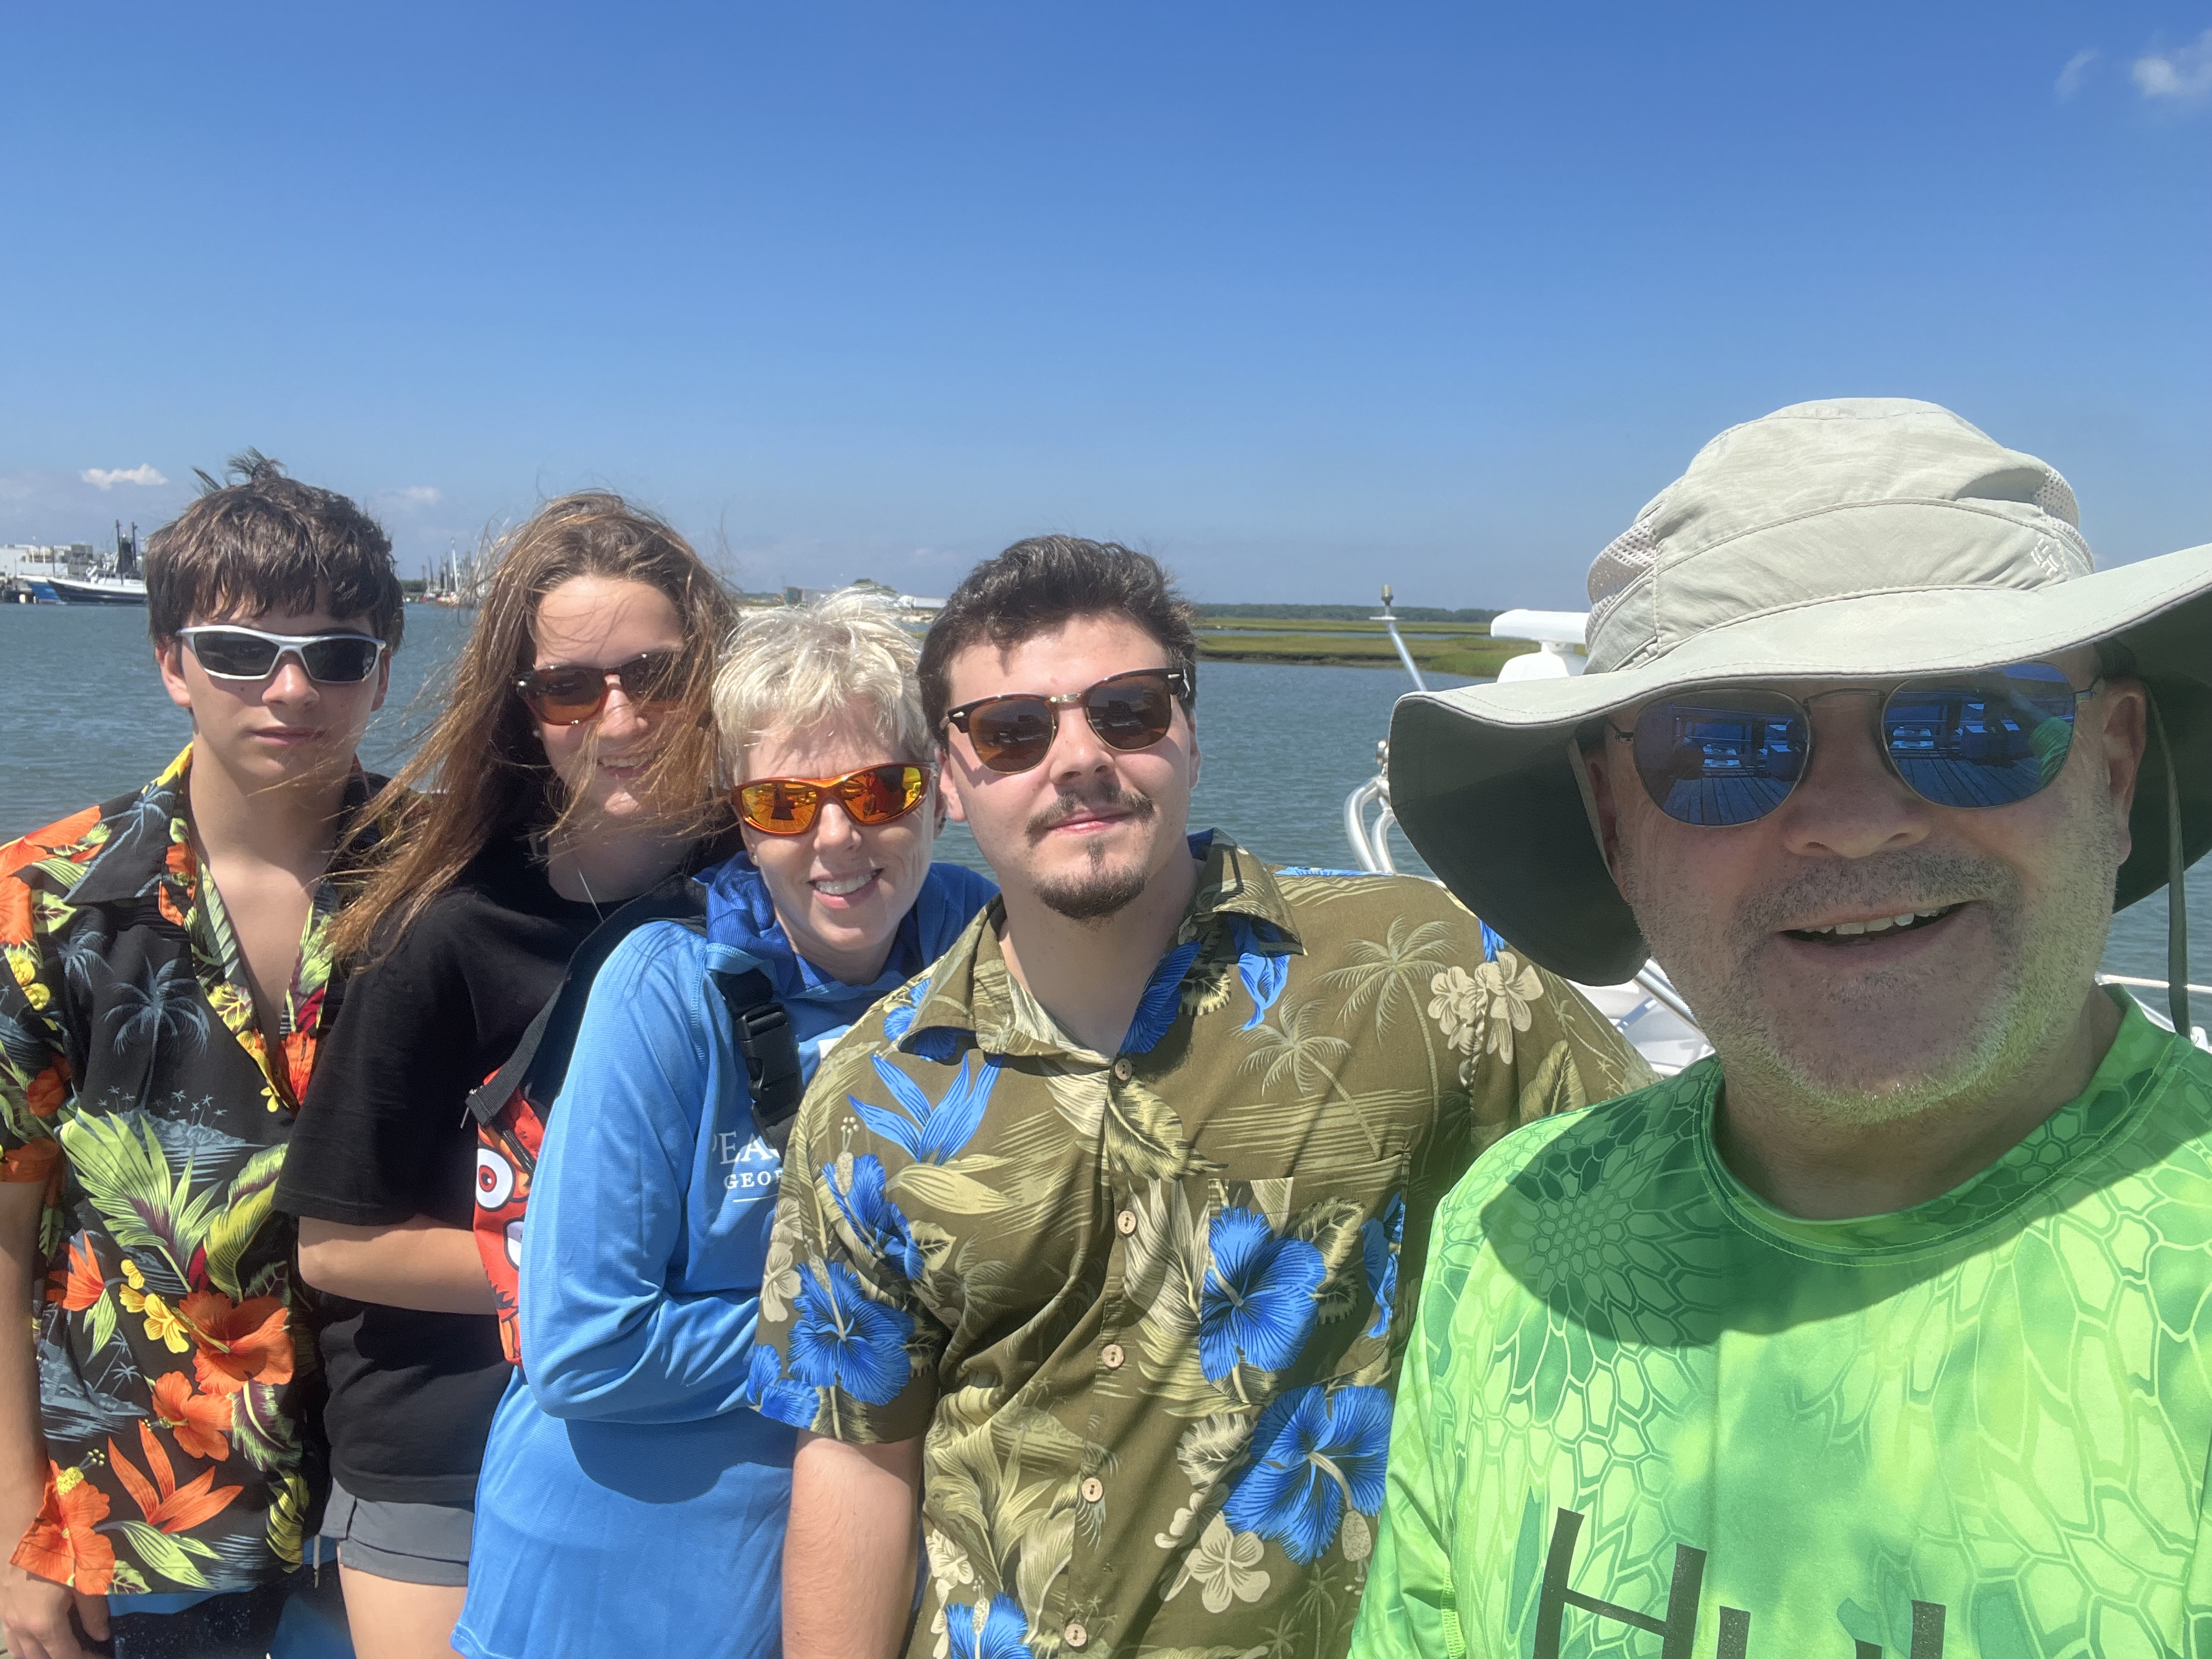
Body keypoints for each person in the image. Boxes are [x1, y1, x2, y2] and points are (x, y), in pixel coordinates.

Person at [1352, 398, 2212, 1657]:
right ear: (1611, 820)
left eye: (1971, 720)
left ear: (2115, 765)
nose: (1856, 823)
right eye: (1730, 745)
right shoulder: (1513, 1235)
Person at [746, 538, 1650, 1659]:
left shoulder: (1428, 976)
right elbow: (856, 1458)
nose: (1077, 757)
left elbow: (1671, 1204)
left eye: (1127, 710)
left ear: (1190, 732)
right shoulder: (874, 1091)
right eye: (1013, 730)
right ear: (953, 774)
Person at [452, 587, 996, 1659]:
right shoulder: (662, 991)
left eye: (877, 790)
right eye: (788, 806)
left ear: (942, 794)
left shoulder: (990, 954)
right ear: (745, 822)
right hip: (607, 1594)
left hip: (850, 1586)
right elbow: (584, 1349)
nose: (837, 837)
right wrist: (889, 1329)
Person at [272, 493, 736, 1658]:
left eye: (657, 676)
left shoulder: (768, 898)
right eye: (573, 687)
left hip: (692, 1432)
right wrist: (589, 1281)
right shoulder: (440, 929)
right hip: (445, 1452)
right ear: (525, 714)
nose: (618, 716)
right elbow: (336, 1244)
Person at [0, 453, 400, 1659]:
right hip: (133, 1514)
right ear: (170, 661)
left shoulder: (447, 891)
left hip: (400, 1504)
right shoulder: (47, 903)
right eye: (237, 650)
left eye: (334, 654)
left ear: (383, 669)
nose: (289, 689)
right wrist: (16, 1523)